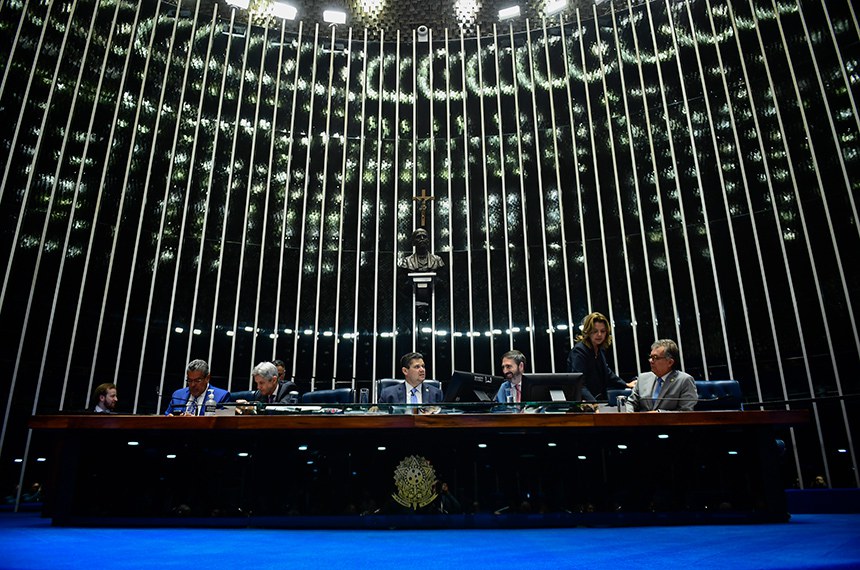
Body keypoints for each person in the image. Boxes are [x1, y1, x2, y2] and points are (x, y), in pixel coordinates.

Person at [567, 312, 634, 402]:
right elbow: (579, 384)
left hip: (598, 399)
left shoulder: (600, 349)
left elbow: (607, 372)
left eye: (602, 331)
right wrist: (594, 405)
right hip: (583, 403)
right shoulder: (579, 351)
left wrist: (626, 384)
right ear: (587, 332)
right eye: (595, 331)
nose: (599, 335)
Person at [625, 339, 697, 412]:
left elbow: (686, 412)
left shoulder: (684, 380)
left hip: (669, 423)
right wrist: (629, 415)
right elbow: (631, 402)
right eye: (650, 357)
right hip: (642, 422)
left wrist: (659, 414)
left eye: (655, 358)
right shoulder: (643, 378)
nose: (650, 361)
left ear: (670, 362)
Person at [164, 359, 230, 415]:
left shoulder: (221, 396)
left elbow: (221, 425)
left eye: (197, 380)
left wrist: (195, 421)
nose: (192, 385)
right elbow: (165, 418)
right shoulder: (178, 395)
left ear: (207, 378)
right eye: (189, 380)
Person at [378, 352, 443, 404]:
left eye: (423, 366)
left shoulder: (436, 393)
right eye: (417, 367)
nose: (422, 370)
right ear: (405, 371)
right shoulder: (388, 394)